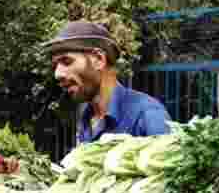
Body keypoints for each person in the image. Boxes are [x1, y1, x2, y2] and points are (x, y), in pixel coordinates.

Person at [43, 20, 172, 144]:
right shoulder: (87, 117)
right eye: (55, 66)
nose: (57, 74)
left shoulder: (147, 115)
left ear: (99, 59)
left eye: (67, 61)